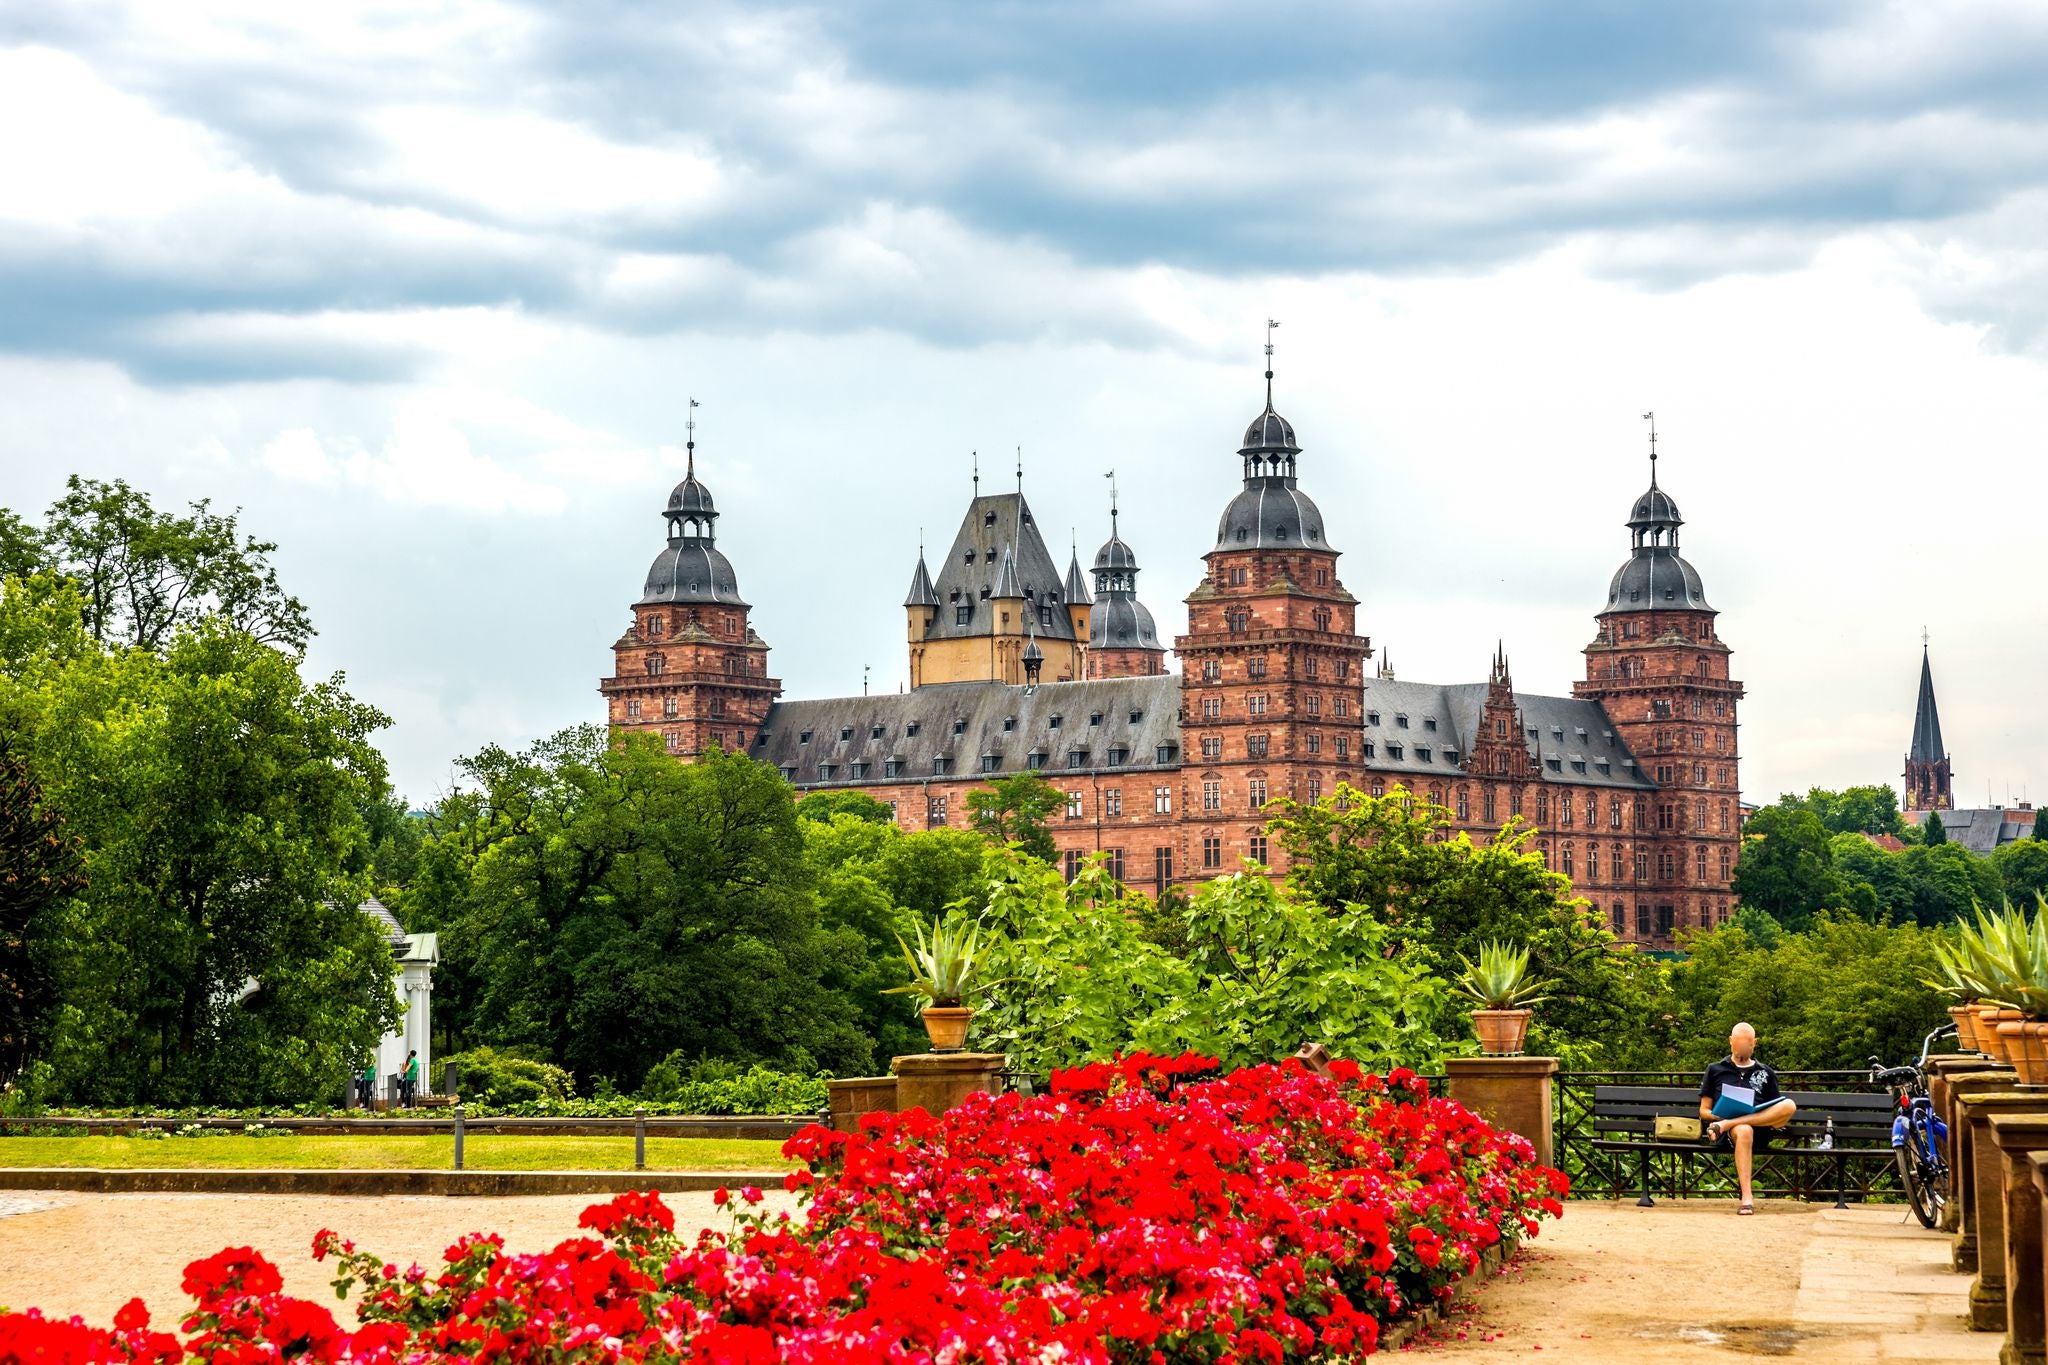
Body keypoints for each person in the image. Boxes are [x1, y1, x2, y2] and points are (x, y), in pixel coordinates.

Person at [1698, 1022, 1797, 1215]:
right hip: (1729, 1134)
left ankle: (1729, 1123)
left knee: (1790, 1105)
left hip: (1759, 1130)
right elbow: (1703, 1111)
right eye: (1738, 1045)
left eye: (1747, 1045)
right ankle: (1747, 1197)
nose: (1742, 1049)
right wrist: (1720, 1116)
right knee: (1744, 1130)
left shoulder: (1766, 1072)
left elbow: (1776, 1107)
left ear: (1754, 1043)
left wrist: (1728, 1122)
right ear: (1730, 1041)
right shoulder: (1715, 1069)